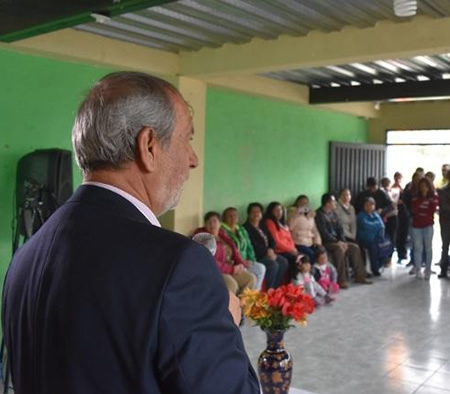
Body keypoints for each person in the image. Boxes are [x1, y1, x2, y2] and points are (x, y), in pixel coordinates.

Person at [2, 72, 259, 393]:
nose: (193, 159)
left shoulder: (26, 257)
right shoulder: (178, 265)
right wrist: (228, 323)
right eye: (187, 139)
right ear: (149, 145)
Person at [315, 193, 372, 289]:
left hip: (337, 241)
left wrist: (342, 240)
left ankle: (360, 275)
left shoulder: (333, 214)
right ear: (327, 203)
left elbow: (340, 229)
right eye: (333, 202)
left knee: (355, 247)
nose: (335, 204)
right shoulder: (319, 215)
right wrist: (338, 242)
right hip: (327, 242)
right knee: (339, 249)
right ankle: (341, 280)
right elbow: (324, 233)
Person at [194, 212, 257, 295]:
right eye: (209, 222)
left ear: (220, 224)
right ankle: (227, 307)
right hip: (214, 271)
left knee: (251, 278)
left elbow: (234, 250)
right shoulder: (204, 239)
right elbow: (211, 262)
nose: (212, 224)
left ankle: (243, 305)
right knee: (232, 285)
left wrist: (241, 264)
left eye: (214, 221)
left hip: (228, 267)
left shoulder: (222, 234)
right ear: (205, 225)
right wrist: (232, 269)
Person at [243, 202, 289, 289]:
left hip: (269, 253)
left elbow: (272, 240)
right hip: (258, 256)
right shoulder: (246, 228)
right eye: (253, 212)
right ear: (248, 214)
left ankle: (276, 288)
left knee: (283, 262)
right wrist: (267, 252)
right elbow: (253, 245)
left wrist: (271, 249)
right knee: (273, 265)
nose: (256, 214)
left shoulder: (262, 225)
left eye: (258, 212)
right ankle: (269, 289)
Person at [222, 207, 267, 290]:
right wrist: (241, 261)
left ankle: (255, 294)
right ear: (224, 218)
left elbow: (249, 246)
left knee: (261, 267)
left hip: (245, 260)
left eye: (235, 215)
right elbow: (228, 252)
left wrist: (252, 259)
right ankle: (246, 296)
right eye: (230, 216)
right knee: (250, 276)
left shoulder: (241, 229)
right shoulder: (222, 231)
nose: (233, 218)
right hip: (235, 262)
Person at [411, 178, 439, 280]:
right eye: (422, 186)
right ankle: (418, 269)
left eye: (426, 186)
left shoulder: (434, 196)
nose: (424, 188)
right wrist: (423, 200)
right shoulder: (415, 197)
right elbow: (414, 209)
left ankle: (428, 269)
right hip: (416, 225)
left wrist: (425, 202)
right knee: (418, 248)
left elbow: (432, 209)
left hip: (428, 225)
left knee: (428, 248)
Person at [264, 201, 299, 275]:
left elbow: (290, 238)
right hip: (279, 250)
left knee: (302, 257)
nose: (279, 212)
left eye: (280, 210)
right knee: (296, 260)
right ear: (271, 212)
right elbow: (276, 241)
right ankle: (292, 283)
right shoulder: (270, 222)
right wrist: (290, 249)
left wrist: (293, 248)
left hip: (288, 249)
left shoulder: (282, 223)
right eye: (276, 210)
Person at [357, 197, 388, 277]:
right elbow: (366, 226)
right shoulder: (361, 215)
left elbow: (381, 226)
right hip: (364, 239)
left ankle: (378, 266)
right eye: (367, 205)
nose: (369, 207)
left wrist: (373, 226)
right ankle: (373, 269)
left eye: (371, 205)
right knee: (373, 247)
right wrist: (375, 226)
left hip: (375, 239)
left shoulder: (376, 214)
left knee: (383, 247)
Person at [288, 195, 323, 263]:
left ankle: (321, 271)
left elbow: (314, 229)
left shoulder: (310, 214)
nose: (303, 205)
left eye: (306, 203)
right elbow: (290, 227)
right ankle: (310, 271)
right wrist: (297, 214)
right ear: (297, 203)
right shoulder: (292, 213)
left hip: (310, 241)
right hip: (298, 242)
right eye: (301, 202)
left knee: (321, 252)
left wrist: (317, 241)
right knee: (311, 255)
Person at [392, 172, 408, 262]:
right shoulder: (392, 189)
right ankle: (399, 253)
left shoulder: (403, 189)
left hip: (403, 214)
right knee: (397, 234)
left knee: (403, 234)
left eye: (400, 178)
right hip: (395, 213)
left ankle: (403, 253)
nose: (398, 180)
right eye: (397, 178)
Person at [381, 177, 399, 246]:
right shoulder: (382, 193)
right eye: (385, 184)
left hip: (393, 216)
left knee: (392, 235)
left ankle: (390, 250)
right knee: (388, 235)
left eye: (387, 184)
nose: (386, 186)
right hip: (386, 216)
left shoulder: (393, 192)